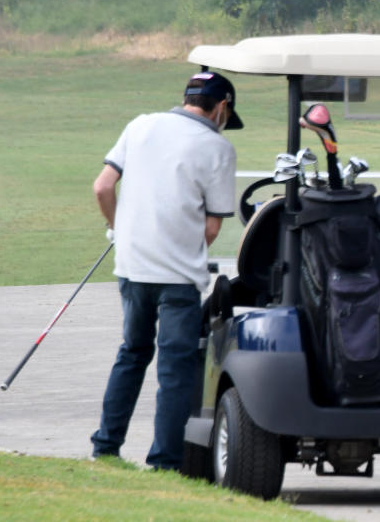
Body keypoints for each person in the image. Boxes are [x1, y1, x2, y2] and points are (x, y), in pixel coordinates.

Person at [90, 71, 241, 469]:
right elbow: (210, 226)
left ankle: (105, 447)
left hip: (131, 267)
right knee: (174, 370)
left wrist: (117, 230)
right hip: (178, 279)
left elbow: (103, 187)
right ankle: (164, 462)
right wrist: (177, 248)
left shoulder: (140, 125)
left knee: (132, 353)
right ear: (222, 107)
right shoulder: (218, 148)